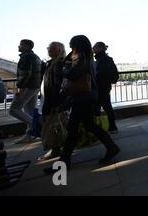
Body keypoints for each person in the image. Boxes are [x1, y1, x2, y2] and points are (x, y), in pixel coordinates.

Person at [44, 35, 120, 173]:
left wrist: (63, 68)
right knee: (88, 125)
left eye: (72, 45)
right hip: (86, 97)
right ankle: (111, 147)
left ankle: (64, 162)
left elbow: (72, 74)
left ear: (76, 45)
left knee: (73, 130)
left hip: (82, 98)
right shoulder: (88, 57)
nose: (70, 47)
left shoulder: (80, 57)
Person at [9, 39, 42, 144]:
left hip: (27, 87)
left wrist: (20, 88)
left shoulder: (26, 57)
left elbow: (25, 74)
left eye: (21, 45)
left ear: (27, 46)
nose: (19, 46)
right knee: (30, 112)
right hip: (35, 86)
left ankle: (36, 127)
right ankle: (30, 135)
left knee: (13, 109)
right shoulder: (36, 56)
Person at [39, 42, 66, 160]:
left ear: (59, 50)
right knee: (55, 125)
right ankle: (58, 149)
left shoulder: (58, 64)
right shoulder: (51, 63)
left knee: (53, 126)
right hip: (50, 99)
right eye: (48, 47)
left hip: (52, 100)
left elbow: (56, 85)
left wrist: (55, 103)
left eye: (52, 48)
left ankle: (55, 150)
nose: (49, 49)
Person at [93, 42, 118, 133]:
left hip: (100, 88)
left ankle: (108, 127)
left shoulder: (102, 60)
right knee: (106, 107)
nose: (93, 49)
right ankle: (111, 127)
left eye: (94, 47)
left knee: (100, 108)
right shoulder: (105, 59)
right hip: (104, 87)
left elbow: (100, 74)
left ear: (100, 48)